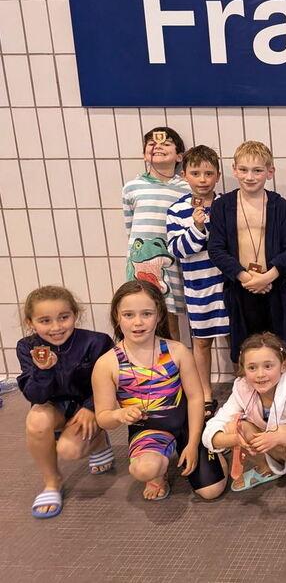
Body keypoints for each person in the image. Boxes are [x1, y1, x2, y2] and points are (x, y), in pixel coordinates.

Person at [91, 281, 227, 501]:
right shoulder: (107, 364)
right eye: (128, 315)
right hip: (149, 432)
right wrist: (119, 414)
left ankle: (214, 449)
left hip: (188, 424)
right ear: (117, 316)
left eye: (146, 314)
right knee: (144, 469)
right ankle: (157, 475)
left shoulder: (177, 351)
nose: (138, 322)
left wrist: (193, 444)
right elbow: (103, 418)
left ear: (159, 315)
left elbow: (195, 399)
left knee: (211, 491)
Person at [17, 286, 115, 519]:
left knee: (68, 450)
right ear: (31, 322)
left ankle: (99, 441)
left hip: (93, 405)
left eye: (63, 317)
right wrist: (43, 371)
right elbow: (35, 397)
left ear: (75, 314)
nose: (56, 327)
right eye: (45, 321)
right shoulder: (27, 347)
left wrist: (91, 407)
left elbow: (114, 381)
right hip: (55, 407)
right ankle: (52, 482)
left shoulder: (97, 342)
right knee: (36, 420)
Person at [203, 333, 286, 503]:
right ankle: (266, 467)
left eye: (268, 366)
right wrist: (234, 439)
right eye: (252, 368)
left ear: (283, 366)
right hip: (268, 444)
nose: (260, 374)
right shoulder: (242, 388)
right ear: (243, 369)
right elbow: (213, 426)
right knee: (235, 427)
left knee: (280, 430)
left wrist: (279, 437)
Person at [207, 141, 286, 363]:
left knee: (282, 346)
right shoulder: (223, 206)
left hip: (276, 285)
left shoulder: (280, 205)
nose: (249, 177)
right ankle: (247, 385)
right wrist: (245, 278)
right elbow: (216, 248)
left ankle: (285, 385)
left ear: (270, 172)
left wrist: (268, 277)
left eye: (257, 170)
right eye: (244, 170)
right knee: (245, 349)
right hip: (241, 286)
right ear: (234, 170)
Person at [166, 144, 230, 417]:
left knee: (236, 340)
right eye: (195, 173)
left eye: (208, 173)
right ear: (184, 175)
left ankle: (244, 390)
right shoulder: (177, 210)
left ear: (218, 175)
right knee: (202, 341)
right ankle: (205, 393)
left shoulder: (228, 204)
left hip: (229, 283)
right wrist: (197, 227)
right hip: (198, 286)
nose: (202, 180)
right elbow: (177, 249)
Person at [122, 126, 190, 339]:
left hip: (171, 262)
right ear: (145, 154)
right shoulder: (132, 187)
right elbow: (130, 227)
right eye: (152, 144)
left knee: (169, 320)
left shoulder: (187, 188)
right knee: (141, 314)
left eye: (166, 143)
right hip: (141, 262)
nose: (158, 147)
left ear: (179, 156)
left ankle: (171, 360)